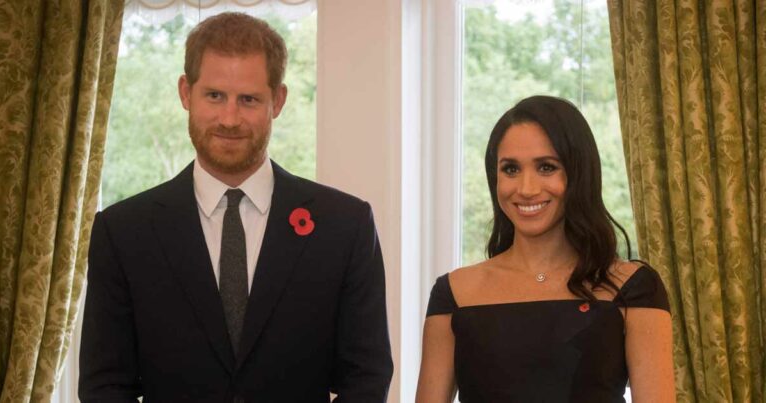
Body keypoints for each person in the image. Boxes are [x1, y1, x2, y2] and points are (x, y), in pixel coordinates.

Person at [79, 13, 393, 402]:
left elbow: (367, 377)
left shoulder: (344, 227)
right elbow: (105, 386)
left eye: (248, 99)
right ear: (185, 93)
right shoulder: (123, 233)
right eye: (214, 96)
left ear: (278, 100)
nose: (229, 119)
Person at [415, 95, 675, 403]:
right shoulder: (454, 292)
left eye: (546, 167)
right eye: (511, 169)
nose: (526, 189)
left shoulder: (633, 287)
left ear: (579, 173)